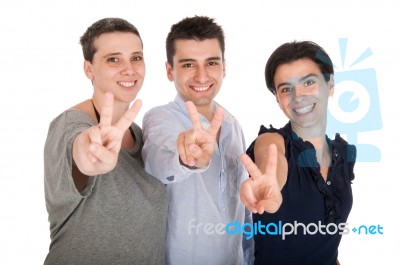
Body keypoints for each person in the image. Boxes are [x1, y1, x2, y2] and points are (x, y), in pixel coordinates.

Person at [43, 18, 168, 265]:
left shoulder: (140, 135)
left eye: (136, 57)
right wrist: (89, 157)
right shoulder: (72, 124)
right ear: (89, 69)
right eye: (113, 59)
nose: (129, 69)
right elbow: (82, 152)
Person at [141, 16, 253, 265]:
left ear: (224, 67)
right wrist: (187, 157)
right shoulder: (159, 118)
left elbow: (240, 211)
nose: (202, 76)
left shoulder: (233, 124)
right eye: (189, 64)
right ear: (170, 71)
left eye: (211, 62)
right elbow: (160, 160)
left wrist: (248, 257)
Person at [239, 40, 357, 265]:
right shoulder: (273, 142)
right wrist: (269, 181)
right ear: (277, 98)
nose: (298, 96)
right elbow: (271, 159)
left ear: (330, 85)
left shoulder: (343, 155)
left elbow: (328, 245)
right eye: (286, 89)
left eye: (309, 82)